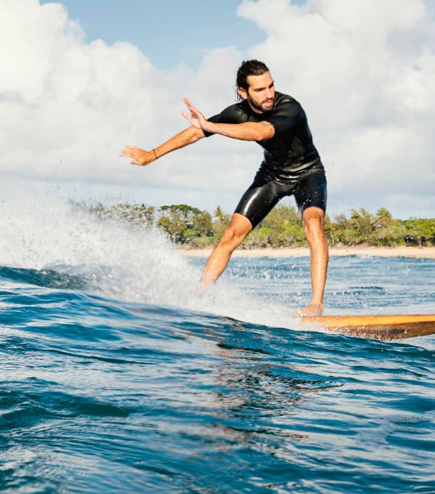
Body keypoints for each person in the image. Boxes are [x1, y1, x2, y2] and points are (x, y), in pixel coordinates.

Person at [120, 59, 328, 316]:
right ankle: (198, 297)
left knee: (313, 222)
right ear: (243, 92)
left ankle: (316, 305)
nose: (269, 94)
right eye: (260, 89)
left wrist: (211, 126)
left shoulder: (289, 107)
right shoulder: (237, 112)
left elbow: (261, 132)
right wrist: (152, 154)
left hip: (308, 172)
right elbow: (196, 132)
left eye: (271, 86)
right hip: (273, 175)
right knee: (231, 234)